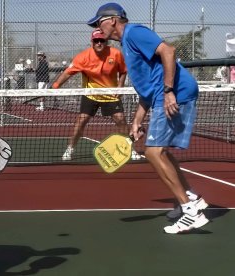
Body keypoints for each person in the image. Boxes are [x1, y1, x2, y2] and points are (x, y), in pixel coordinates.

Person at [88, 2, 209, 234]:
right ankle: (192, 197)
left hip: (177, 92)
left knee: (154, 152)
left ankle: (190, 211)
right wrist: (137, 121)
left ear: (113, 20)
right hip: (163, 96)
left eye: (99, 22)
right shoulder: (127, 44)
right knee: (161, 151)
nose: (97, 27)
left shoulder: (134, 33)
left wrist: (168, 91)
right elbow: (148, 89)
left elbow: (169, 51)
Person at [54, 30, 140, 161]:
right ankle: (70, 149)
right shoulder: (83, 57)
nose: (99, 43)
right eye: (96, 41)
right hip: (91, 94)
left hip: (110, 95)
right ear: (92, 42)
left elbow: (123, 71)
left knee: (121, 120)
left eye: (102, 40)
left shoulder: (116, 54)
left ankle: (130, 148)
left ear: (106, 41)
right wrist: (56, 86)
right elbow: (68, 73)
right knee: (81, 121)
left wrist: (120, 86)